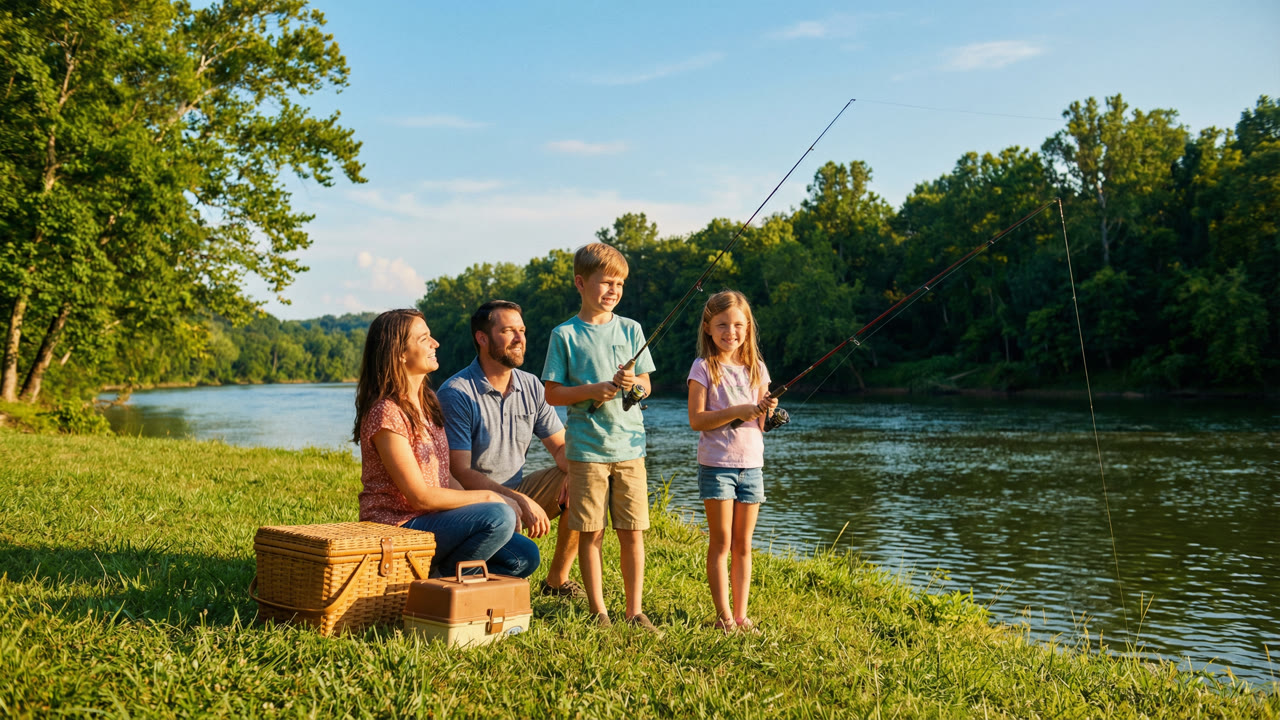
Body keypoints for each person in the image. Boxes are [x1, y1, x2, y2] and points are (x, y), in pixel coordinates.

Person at [352, 308, 538, 578]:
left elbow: (442, 476)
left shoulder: (427, 401)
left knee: (524, 555)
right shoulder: (387, 412)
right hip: (398, 525)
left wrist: (481, 508)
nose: (435, 343)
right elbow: (419, 496)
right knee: (499, 516)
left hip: (434, 521)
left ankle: (443, 574)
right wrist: (490, 499)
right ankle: (443, 582)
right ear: (400, 353)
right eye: (424, 338)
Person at [542, 242, 659, 632]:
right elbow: (552, 393)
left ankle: (633, 610)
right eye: (606, 282)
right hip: (587, 450)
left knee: (632, 531)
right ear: (581, 282)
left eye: (620, 284)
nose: (614, 290)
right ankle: (599, 611)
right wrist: (592, 389)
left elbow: (645, 385)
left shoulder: (631, 329)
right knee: (591, 531)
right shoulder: (565, 335)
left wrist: (633, 386)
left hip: (630, 448)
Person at [437, 299, 584, 598]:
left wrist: (575, 470)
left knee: (586, 478)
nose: (520, 339)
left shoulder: (531, 386)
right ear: (482, 338)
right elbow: (460, 472)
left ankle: (556, 582)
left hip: (517, 489)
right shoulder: (457, 393)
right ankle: (457, 569)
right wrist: (513, 500)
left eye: (522, 330)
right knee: (524, 558)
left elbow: (559, 448)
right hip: (472, 503)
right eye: (508, 331)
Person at [686, 290, 777, 633]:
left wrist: (767, 410)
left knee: (743, 545)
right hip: (717, 465)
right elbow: (697, 419)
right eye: (722, 324)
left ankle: (742, 616)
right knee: (721, 542)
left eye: (738, 325)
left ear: (748, 328)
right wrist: (737, 412)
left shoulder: (758, 368)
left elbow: (762, 425)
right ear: (708, 327)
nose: (731, 331)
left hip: (752, 466)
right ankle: (723, 616)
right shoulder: (703, 367)